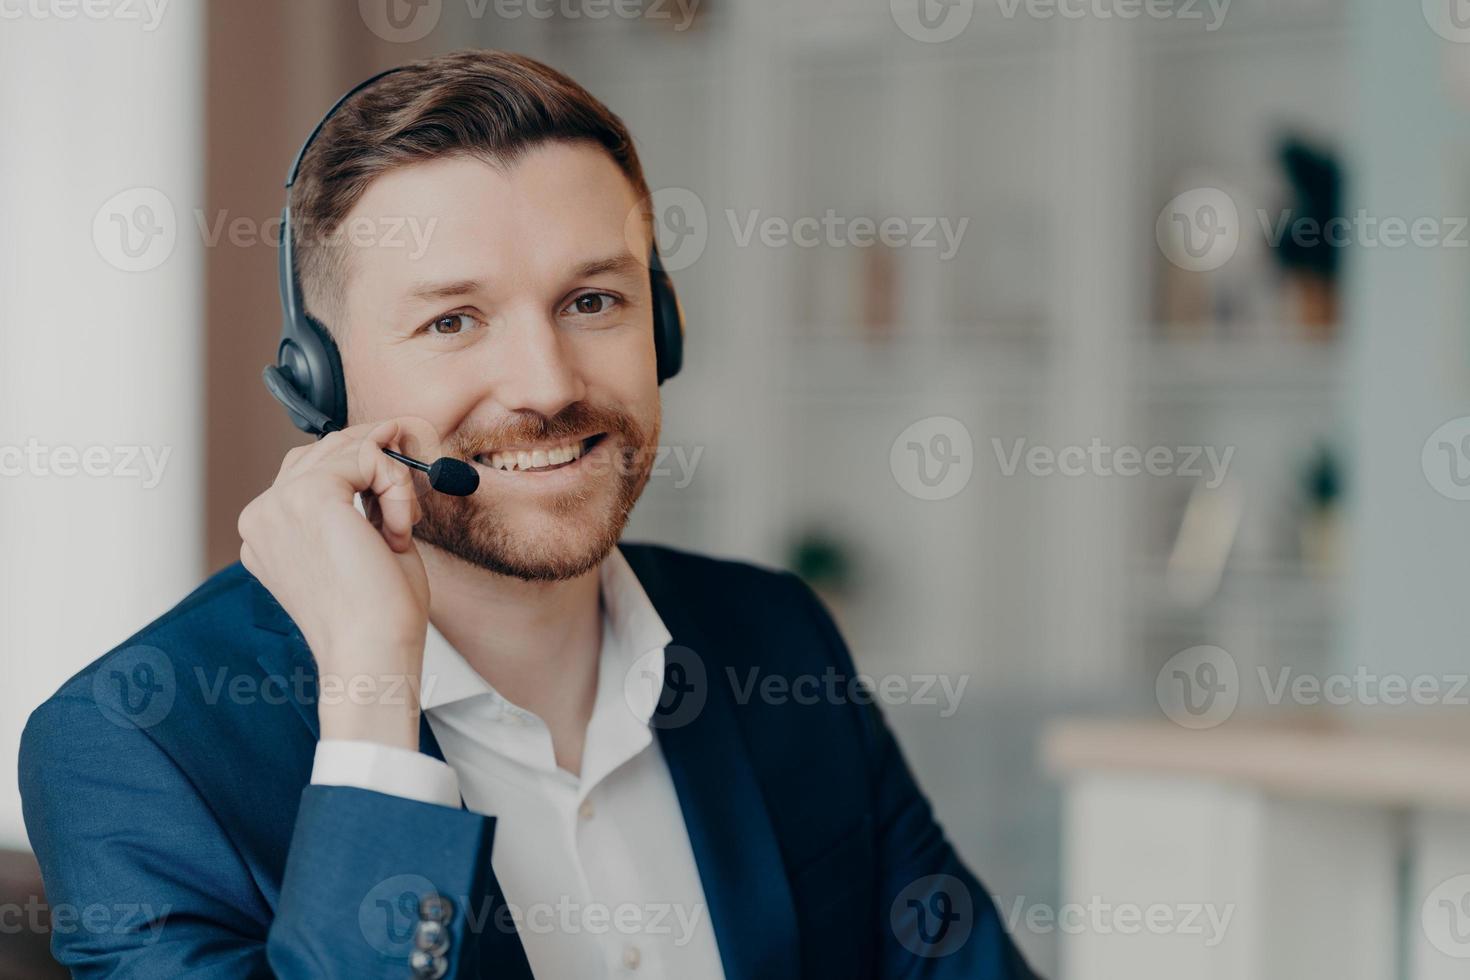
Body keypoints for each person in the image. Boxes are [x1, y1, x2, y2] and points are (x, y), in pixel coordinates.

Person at [19, 49, 1036, 979]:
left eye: (592, 301)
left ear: (663, 324)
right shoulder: (136, 746)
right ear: (319, 383)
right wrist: (375, 693)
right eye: (452, 319)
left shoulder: (775, 637)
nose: (546, 385)